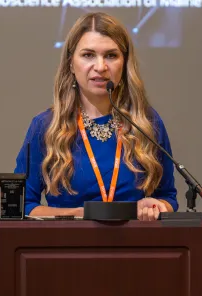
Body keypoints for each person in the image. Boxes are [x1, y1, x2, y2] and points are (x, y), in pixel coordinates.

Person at [14, 12, 178, 221]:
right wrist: (80, 215)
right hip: (66, 248)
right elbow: (23, 206)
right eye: (88, 55)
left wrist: (157, 206)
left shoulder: (146, 122)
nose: (100, 67)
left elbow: (168, 197)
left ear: (124, 63)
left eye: (111, 55)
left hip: (134, 248)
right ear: (71, 64)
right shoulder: (46, 126)